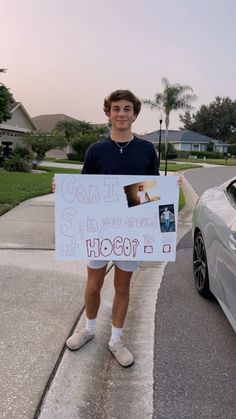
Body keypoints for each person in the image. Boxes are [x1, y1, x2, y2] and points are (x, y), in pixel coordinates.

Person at [53, 90, 178, 367]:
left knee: (122, 286)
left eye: (127, 109)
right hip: (99, 231)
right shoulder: (96, 150)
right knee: (94, 285)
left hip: (130, 231)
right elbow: (86, 192)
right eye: (116, 109)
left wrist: (168, 190)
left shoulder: (146, 150)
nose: (122, 113)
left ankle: (116, 339)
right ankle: (88, 330)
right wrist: (64, 190)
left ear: (135, 114)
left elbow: (152, 192)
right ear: (108, 113)